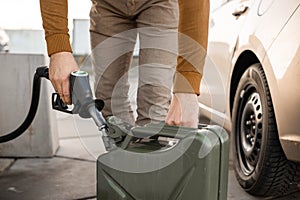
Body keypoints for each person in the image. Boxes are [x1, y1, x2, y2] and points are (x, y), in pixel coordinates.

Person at [40, 0, 209, 128]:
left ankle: (152, 167)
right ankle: (126, 165)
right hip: (108, 5)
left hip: (159, 3)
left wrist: (187, 86)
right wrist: (59, 50)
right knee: (109, 101)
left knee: (155, 102)